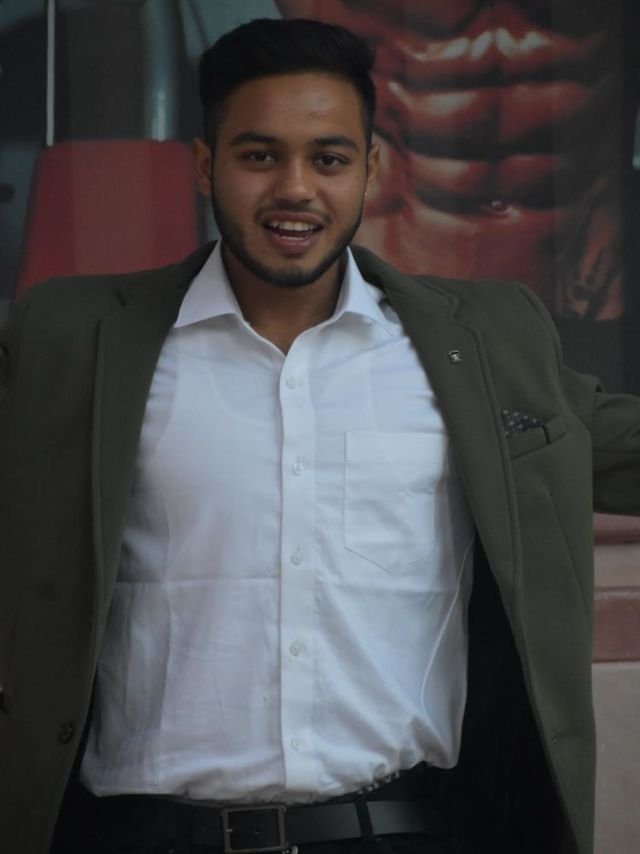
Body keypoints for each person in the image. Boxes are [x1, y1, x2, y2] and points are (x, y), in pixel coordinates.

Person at [0, 16, 638, 854]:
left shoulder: (483, 345)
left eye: (329, 159)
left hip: (401, 829)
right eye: (260, 155)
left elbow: (613, 443)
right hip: (140, 834)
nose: (294, 187)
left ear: (370, 169)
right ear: (206, 165)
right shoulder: (73, 340)